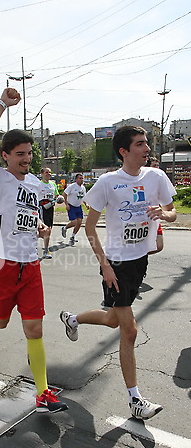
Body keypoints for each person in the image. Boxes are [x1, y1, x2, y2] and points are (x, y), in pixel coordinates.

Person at [60, 125, 176, 420]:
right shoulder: (107, 183)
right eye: (140, 144)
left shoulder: (157, 177)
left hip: (139, 261)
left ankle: (72, 318)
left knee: (113, 320)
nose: (147, 148)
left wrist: (164, 214)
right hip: (117, 264)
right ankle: (135, 400)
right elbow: (89, 227)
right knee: (129, 329)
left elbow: (172, 211)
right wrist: (105, 265)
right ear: (124, 151)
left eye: (146, 143)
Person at [0, 87, 68, 413]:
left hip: (31, 264)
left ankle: (42, 393)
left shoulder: (37, 186)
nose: (27, 159)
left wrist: (39, 224)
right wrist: (0, 103)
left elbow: (25, 214)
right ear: (7, 155)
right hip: (2, 263)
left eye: (29, 153)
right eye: (20, 153)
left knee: (34, 328)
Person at [61, 173, 87, 246]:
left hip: (78, 206)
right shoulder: (72, 186)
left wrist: (86, 204)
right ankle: (64, 228)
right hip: (71, 206)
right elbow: (64, 194)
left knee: (79, 222)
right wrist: (66, 204)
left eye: (82, 178)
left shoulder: (83, 188)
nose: (81, 180)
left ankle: (72, 236)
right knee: (74, 222)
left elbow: (84, 197)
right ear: (76, 179)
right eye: (80, 178)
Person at [39, 167, 59, 259]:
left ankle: (45, 249)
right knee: (45, 229)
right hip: (41, 208)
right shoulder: (38, 184)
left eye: (50, 172)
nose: (48, 174)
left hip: (50, 208)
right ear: (42, 174)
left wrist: (59, 199)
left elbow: (56, 195)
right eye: (46, 172)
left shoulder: (53, 184)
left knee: (49, 229)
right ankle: (45, 250)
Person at [146, 156, 163, 253]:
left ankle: (139, 255)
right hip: (143, 216)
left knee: (159, 245)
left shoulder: (159, 179)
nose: (157, 168)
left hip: (155, 217)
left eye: (158, 165)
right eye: (154, 166)